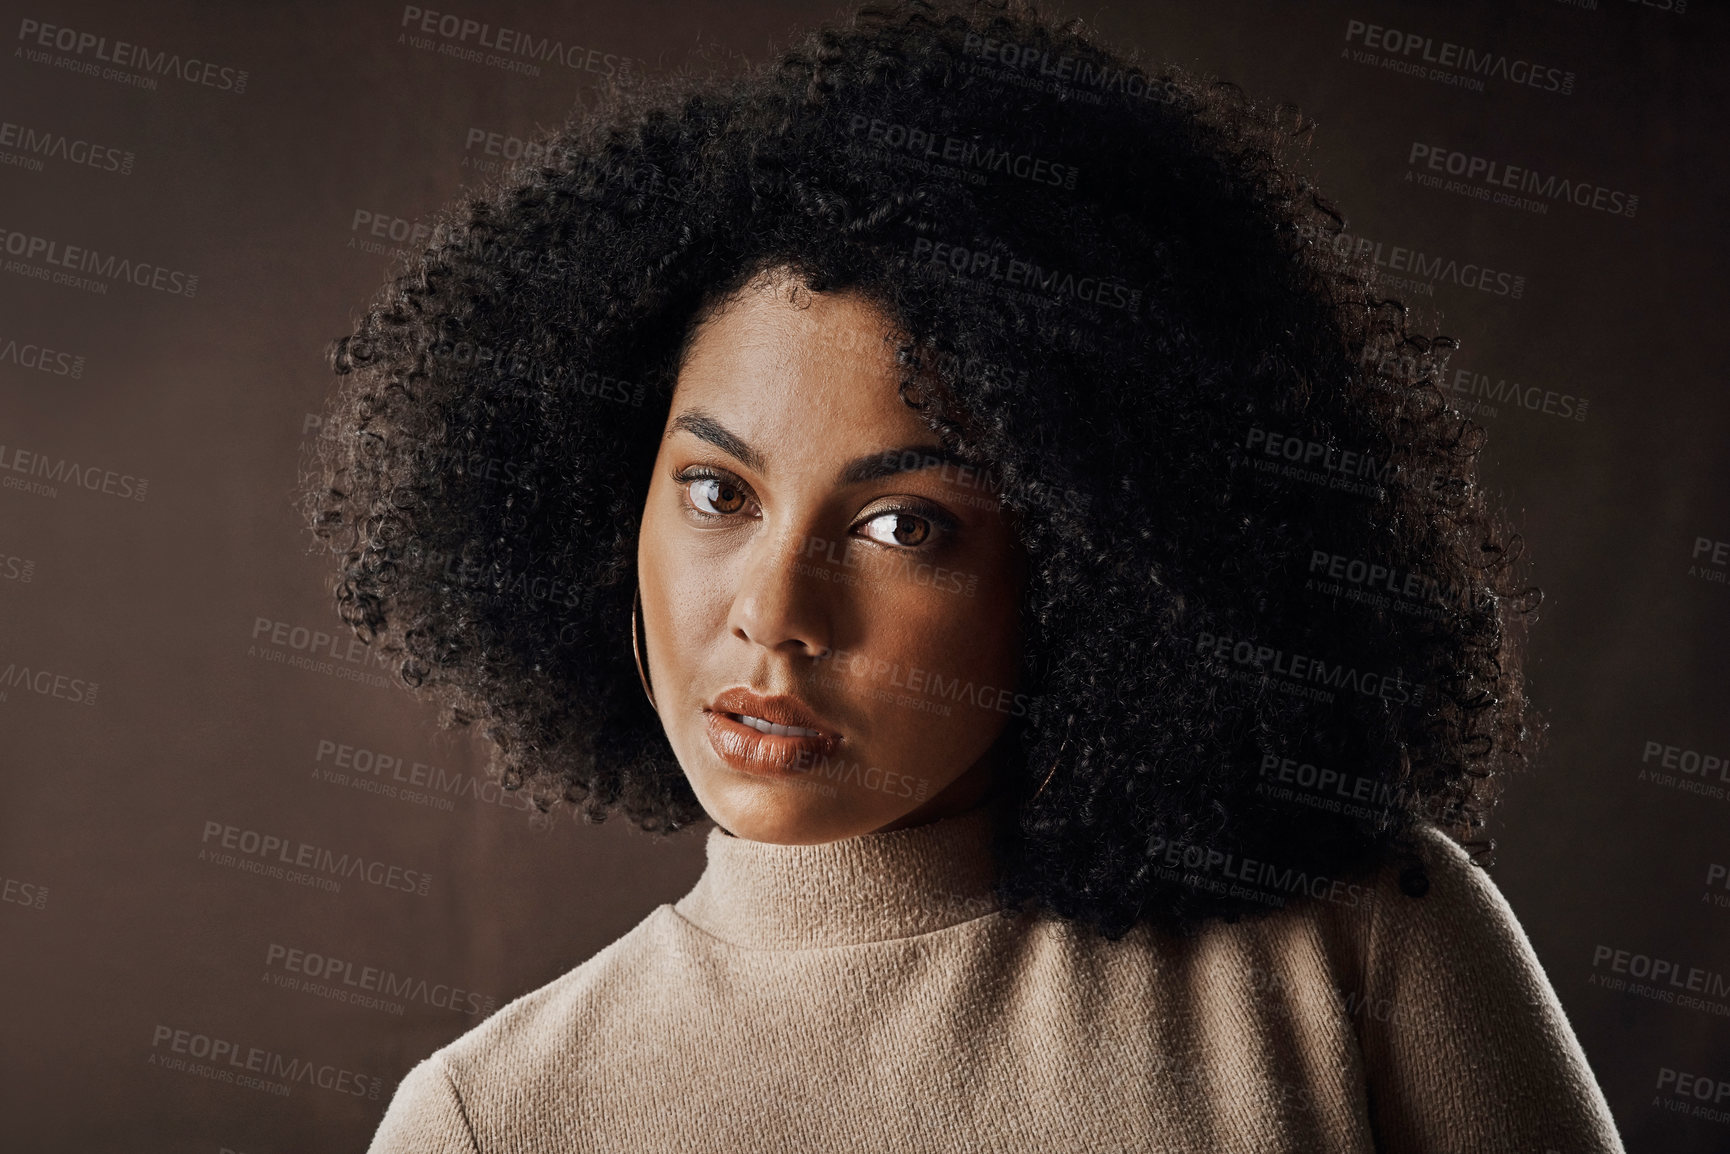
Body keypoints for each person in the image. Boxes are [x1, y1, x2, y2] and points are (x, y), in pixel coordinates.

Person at [302, 1, 1626, 1149]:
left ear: (1094, 563)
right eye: (717, 492)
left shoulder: (1364, 945)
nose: (772, 613)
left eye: (904, 525)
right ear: (605, 506)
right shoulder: (491, 1120)